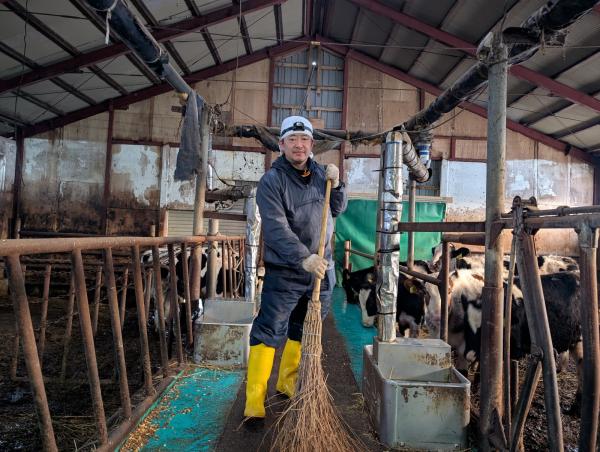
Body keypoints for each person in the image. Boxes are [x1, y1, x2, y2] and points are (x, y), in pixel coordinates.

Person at [244, 115, 347, 419]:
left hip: (321, 271)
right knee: (268, 329)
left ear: (312, 144)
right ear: (282, 144)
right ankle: (254, 401)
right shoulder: (272, 181)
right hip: (287, 271)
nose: (299, 145)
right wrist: (303, 257)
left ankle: (287, 384)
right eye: (292, 139)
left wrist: (338, 185)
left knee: (304, 328)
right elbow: (276, 227)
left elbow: (338, 208)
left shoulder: (321, 174)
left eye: (304, 139)